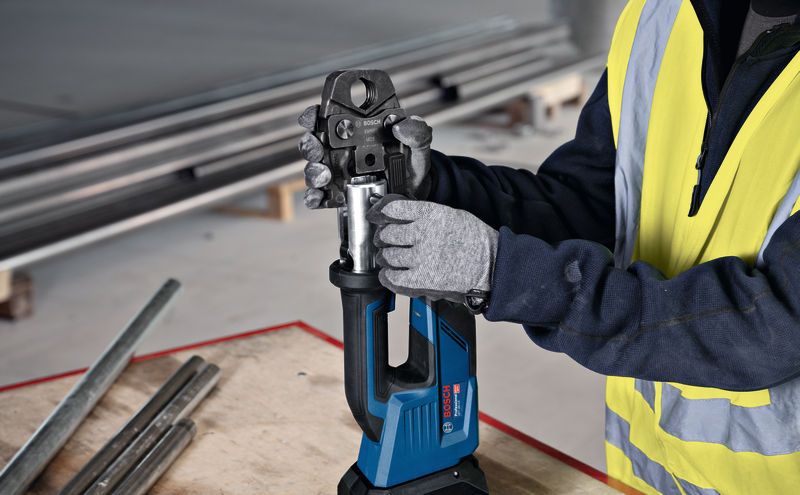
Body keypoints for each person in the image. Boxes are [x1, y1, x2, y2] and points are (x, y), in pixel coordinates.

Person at [298, 0, 800, 493]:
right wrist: (437, 187)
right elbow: (586, 200)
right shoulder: (663, 14)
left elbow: (774, 325)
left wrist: (501, 272)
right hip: (645, 476)